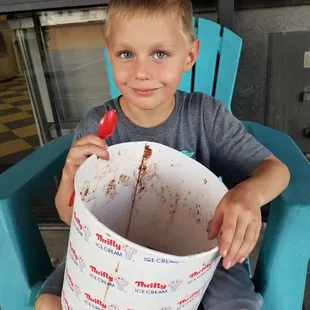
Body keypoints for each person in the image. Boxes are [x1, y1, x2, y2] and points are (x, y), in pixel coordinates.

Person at [35, 0, 290, 309]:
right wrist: (70, 177)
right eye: (126, 54)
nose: (142, 72)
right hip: (108, 251)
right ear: (109, 53)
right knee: (49, 302)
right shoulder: (98, 126)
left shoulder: (204, 117)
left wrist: (248, 194)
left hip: (196, 254)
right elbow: (68, 216)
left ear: (190, 55)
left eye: (160, 54)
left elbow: (276, 170)